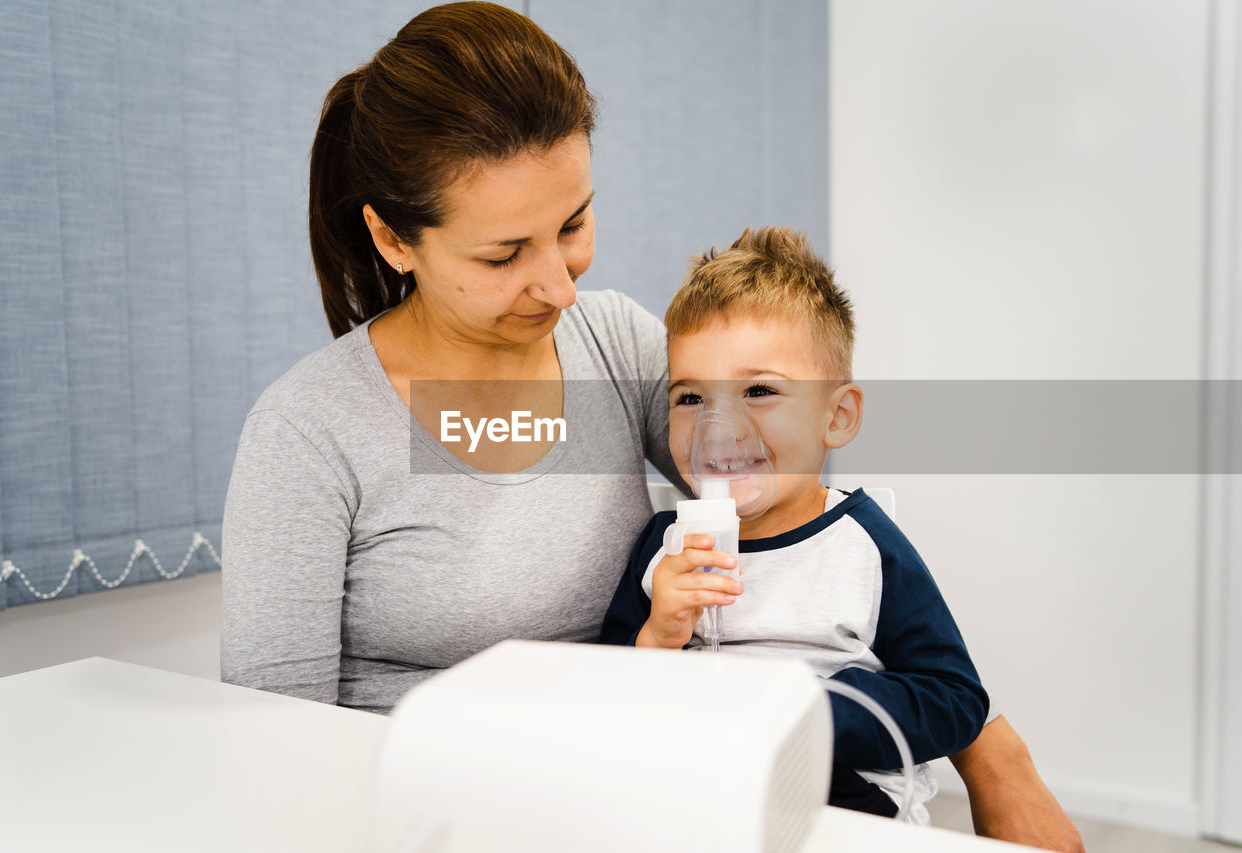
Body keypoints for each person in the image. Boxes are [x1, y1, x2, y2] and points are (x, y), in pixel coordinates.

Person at [219, 3, 1083, 849]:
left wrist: (993, 749)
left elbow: (791, 507)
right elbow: (275, 741)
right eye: (503, 254)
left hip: (636, 786)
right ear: (393, 239)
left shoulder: (612, 342)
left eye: (573, 225)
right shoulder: (311, 430)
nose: (560, 286)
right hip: (435, 810)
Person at [599, 226, 989, 823]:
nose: (719, 429)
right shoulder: (663, 547)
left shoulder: (864, 547)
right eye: (691, 399)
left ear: (836, 416)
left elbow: (954, 700)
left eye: (758, 390)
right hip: (694, 784)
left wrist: (810, 710)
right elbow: (604, 688)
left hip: (836, 797)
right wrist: (657, 636)